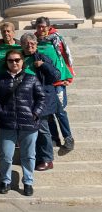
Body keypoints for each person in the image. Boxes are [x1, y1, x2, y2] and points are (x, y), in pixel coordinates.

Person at [0, 49, 45, 197]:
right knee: (6, 155)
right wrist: (0, 113)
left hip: (29, 123)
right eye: (10, 60)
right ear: (6, 62)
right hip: (7, 123)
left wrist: (35, 113)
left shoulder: (31, 78)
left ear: (22, 62)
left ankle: (28, 182)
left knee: (28, 155)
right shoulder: (1, 79)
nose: (14, 63)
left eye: (17, 60)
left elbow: (41, 97)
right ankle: (5, 181)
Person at [20, 33, 61, 172]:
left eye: (32, 44)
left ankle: (47, 159)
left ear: (36, 45)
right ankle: (35, 156)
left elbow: (56, 76)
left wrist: (43, 65)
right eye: (26, 44)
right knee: (29, 131)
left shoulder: (42, 58)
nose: (29, 46)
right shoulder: (18, 58)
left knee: (43, 129)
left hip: (41, 100)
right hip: (25, 99)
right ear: (21, 45)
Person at [35, 16, 75, 151]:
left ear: (48, 27)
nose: (41, 29)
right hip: (44, 82)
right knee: (49, 111)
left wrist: (68, 77)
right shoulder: (34, 41)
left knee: (60, 111)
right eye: (39, 27)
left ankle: (68, 138)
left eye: (44, 27)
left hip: (58, 81)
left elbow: (65, 57)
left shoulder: (56, 39)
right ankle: (54, 138)